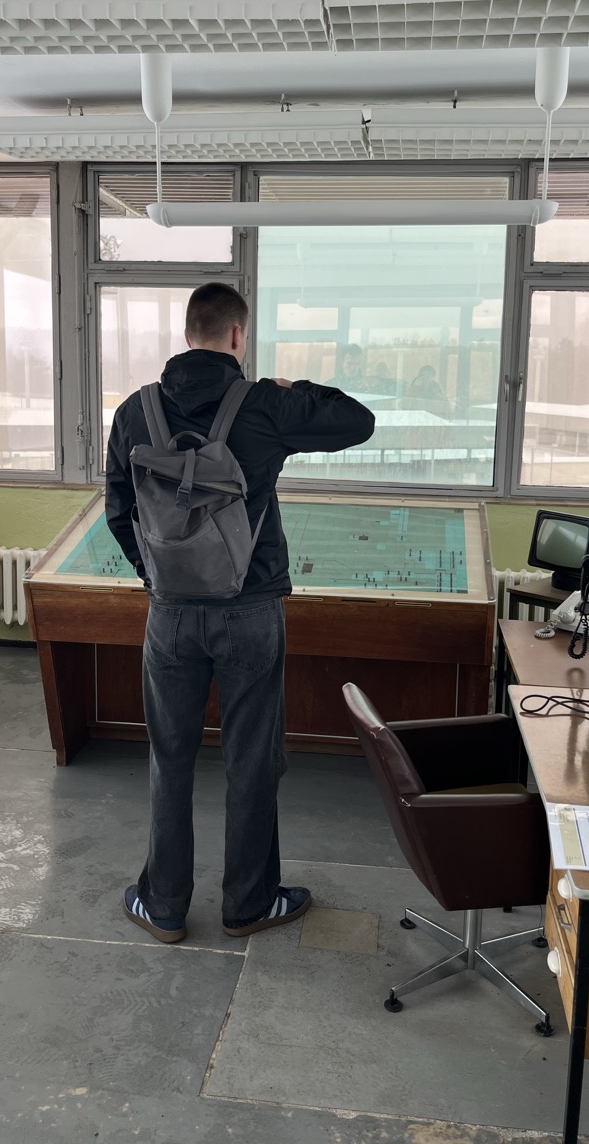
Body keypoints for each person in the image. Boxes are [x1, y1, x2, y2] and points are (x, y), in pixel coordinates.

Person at [105, 282, 375, 944]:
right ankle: (249, 904)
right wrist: (291, 386)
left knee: (169, 757)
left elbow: (117, 509)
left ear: (188, 332)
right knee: (251, 758)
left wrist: (158, 576)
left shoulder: (135, 411)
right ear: (236, 335)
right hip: (249, 608)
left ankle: (163, 905)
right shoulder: (264, 405)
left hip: (169, 615)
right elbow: (357, 420)